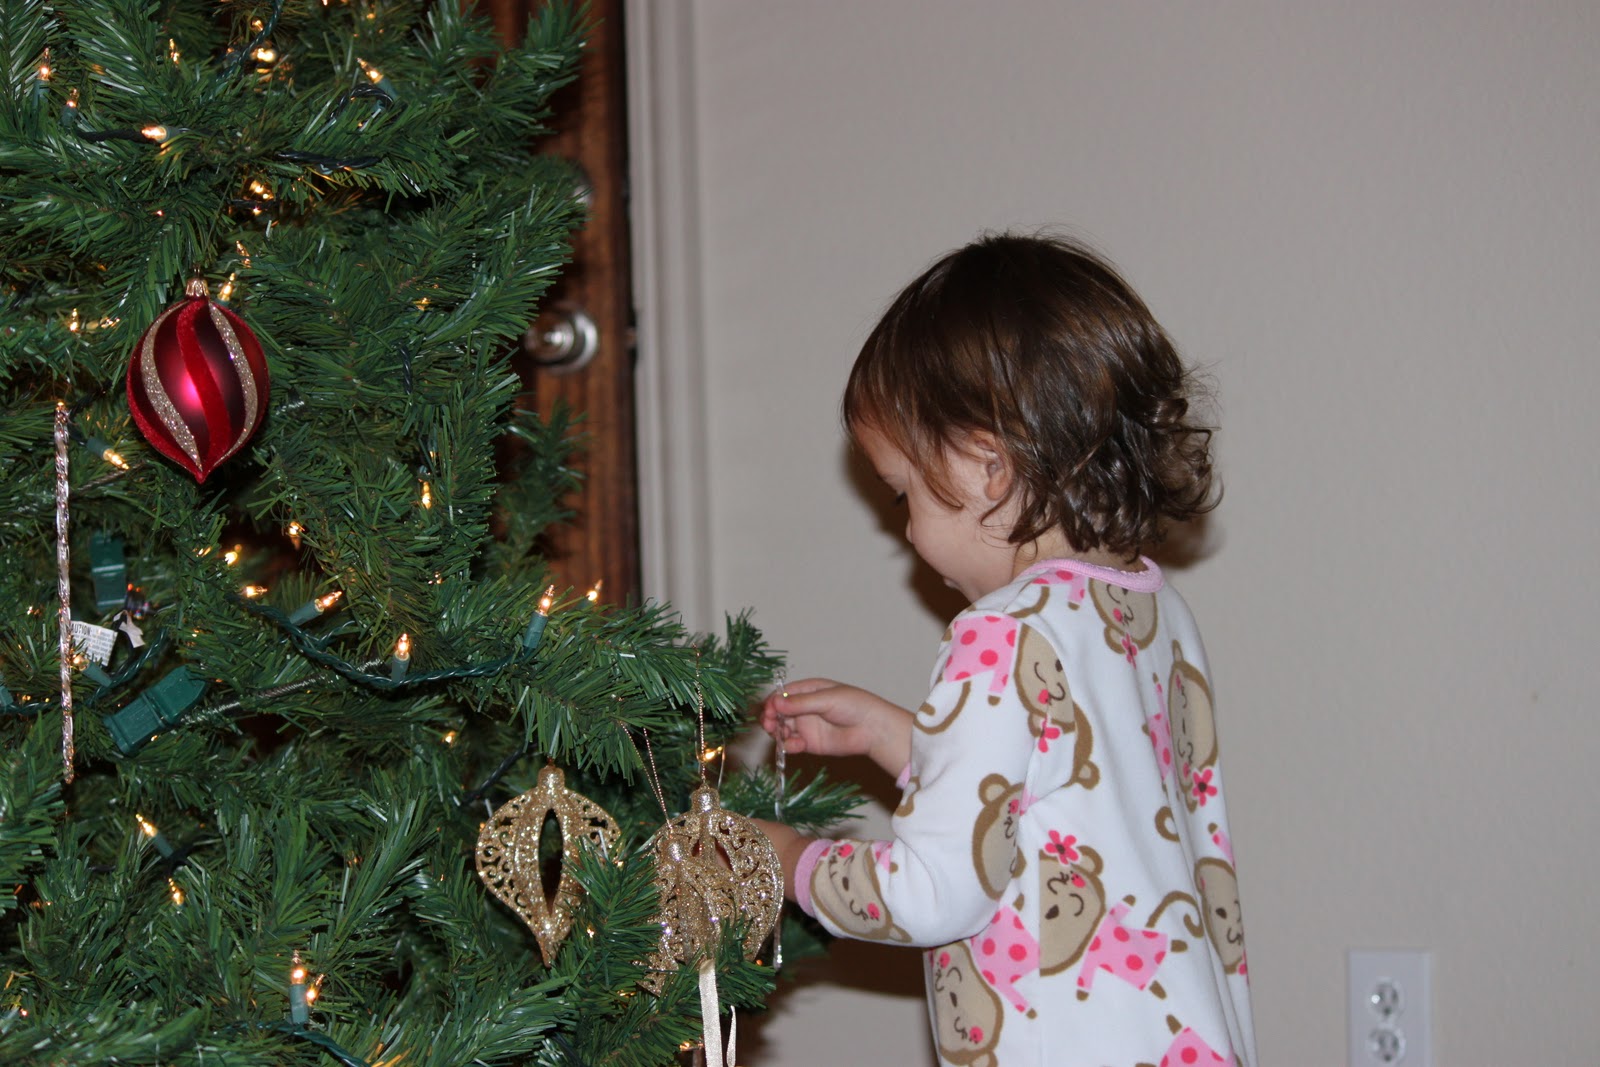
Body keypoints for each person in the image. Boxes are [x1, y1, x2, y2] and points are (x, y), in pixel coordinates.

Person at [754, 233, 1256, 1067]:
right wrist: (895, 737)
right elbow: (1058, 802)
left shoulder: (999, 633)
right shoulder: (1154, 610)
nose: (906, 528)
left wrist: (794, 862)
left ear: (990, 467)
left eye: (903, 492)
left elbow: (936, 891)